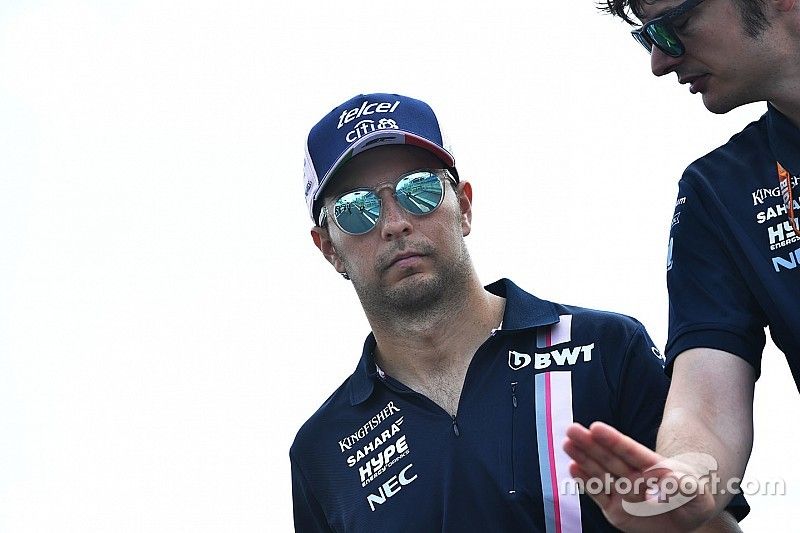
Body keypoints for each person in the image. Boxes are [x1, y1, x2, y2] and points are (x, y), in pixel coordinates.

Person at [290, 93, 746, 531]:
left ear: (464, 206)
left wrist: (675, 523)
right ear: (328, 246)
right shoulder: (321, 450)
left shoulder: (606, 349)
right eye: (356, 209)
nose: (394, 223)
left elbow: (707, 523)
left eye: (420, 190)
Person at [563, 0, 800, 529]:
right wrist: (686, 476)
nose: (658, 60)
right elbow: (707, 398)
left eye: (673, 26)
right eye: (646, 36)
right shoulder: (718, 194)